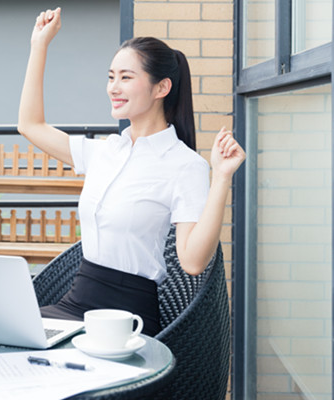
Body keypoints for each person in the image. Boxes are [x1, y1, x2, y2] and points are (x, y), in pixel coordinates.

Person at [17, 7, 245, 336]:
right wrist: (40, 45)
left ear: (161, 88)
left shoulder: (184, 165)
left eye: (126, 77)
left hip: (126, 318)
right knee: (0, 337)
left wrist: (222, 177)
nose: (113, 87)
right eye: (111, 77)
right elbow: (30, 125)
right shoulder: (107, 150)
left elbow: (193, 262)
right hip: (76, 302)